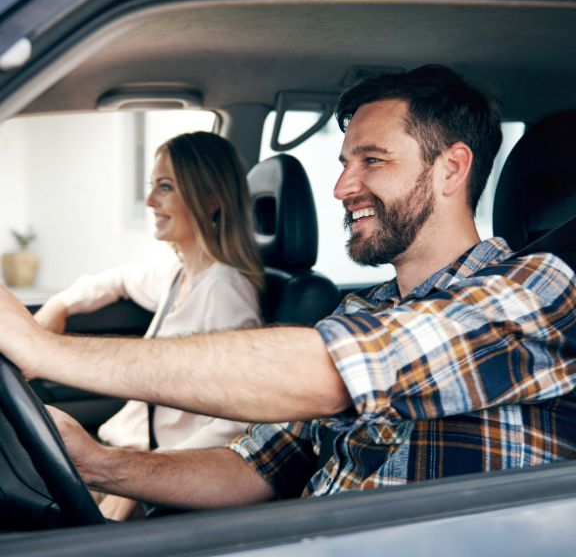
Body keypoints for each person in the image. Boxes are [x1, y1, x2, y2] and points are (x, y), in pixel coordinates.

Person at [0, 65, 575, 512]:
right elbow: (254, 469)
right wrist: (98, 463)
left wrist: (48, 349)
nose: (343, 186)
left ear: (452, 169)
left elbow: (335, 370)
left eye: (371, 160)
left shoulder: (537, 292)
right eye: (345, 161)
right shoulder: (367, 310)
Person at [33, 131, 263, 518]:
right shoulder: (179, 273)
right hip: (122, 461)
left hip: (153, 480)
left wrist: (145, 475)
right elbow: (119, 279)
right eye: (152, 186)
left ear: (210, 201)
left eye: (166, 187)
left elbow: (237, 420)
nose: (150, 201)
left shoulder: (224, 289)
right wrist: (60, 304)